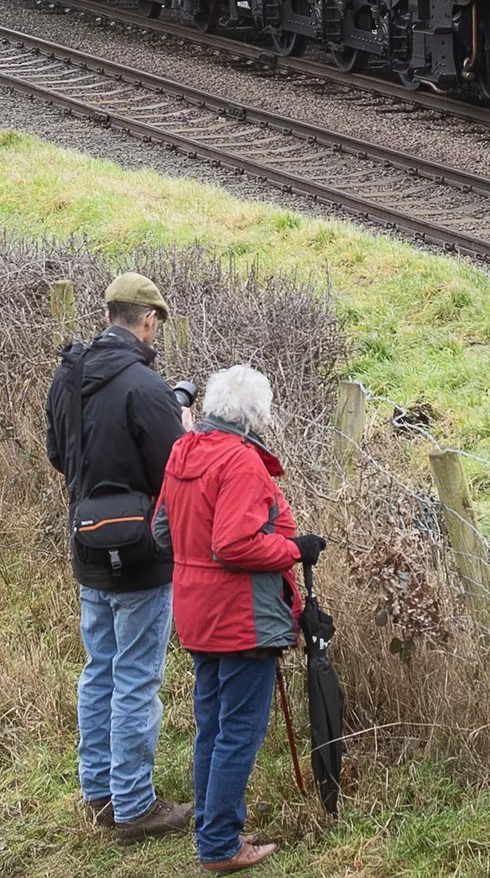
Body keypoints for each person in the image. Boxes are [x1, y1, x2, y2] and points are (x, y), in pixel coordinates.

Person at [157, 364, 324, 873]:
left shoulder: (184, 451)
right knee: (239, 731)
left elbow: (161, 532)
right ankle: (219, 844)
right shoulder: (242, 462)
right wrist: (294, 548)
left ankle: (213, 827)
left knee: (212, 727)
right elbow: (233, 544)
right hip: (241, 618)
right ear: (256, 414)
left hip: (196, 612)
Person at [44, 273, 191, 843]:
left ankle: (100, 793)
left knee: (99, 669)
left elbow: (58, 454)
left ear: (108, 315)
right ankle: (134, 806)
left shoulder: (68, 376)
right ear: (148, 320)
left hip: (86, 543)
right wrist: (182, 424)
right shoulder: (146, 387)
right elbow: (177, 473)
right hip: (143, 555)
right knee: (135, 677)